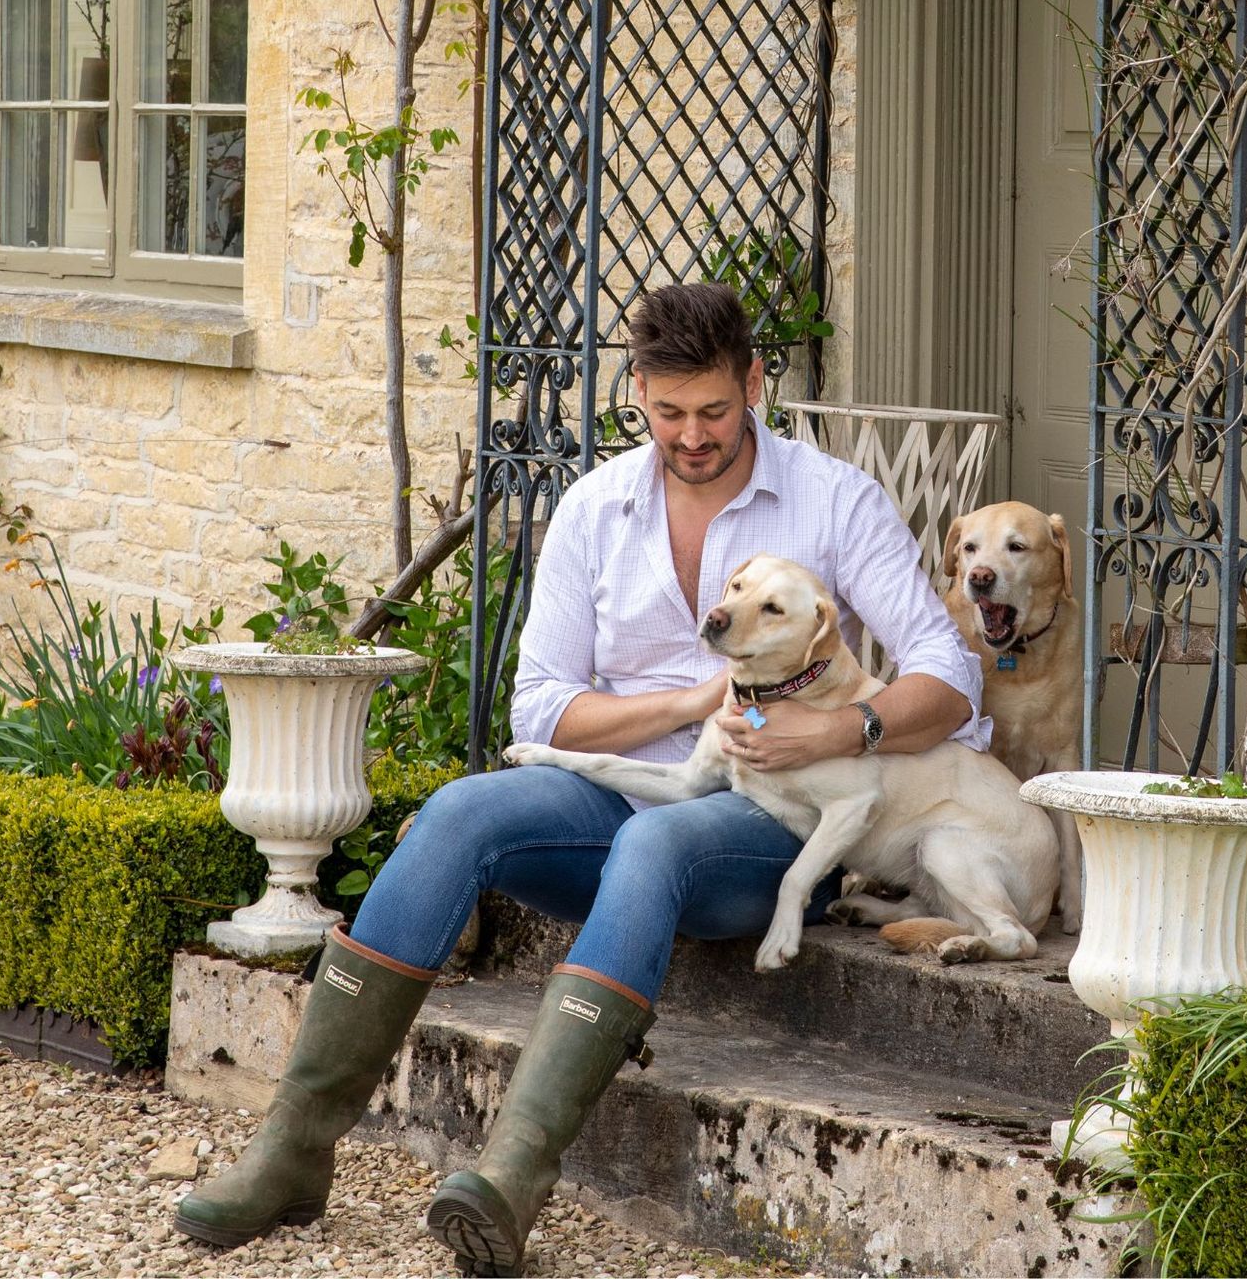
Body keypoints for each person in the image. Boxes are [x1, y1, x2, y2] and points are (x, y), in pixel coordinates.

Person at [176, 281, 987, 1276]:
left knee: (656, 844)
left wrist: (838, 728)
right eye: (669, 413)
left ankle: (511, 1176)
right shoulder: (598, 506)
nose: (692, 436)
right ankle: (292, 1149)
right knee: (458, 813)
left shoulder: (834, 499)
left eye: (716, 413)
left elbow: (949, 682)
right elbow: (544, 708)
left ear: (756, 385)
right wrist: (690, 705)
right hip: (622, 792)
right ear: (637, 392)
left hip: (768, 827)